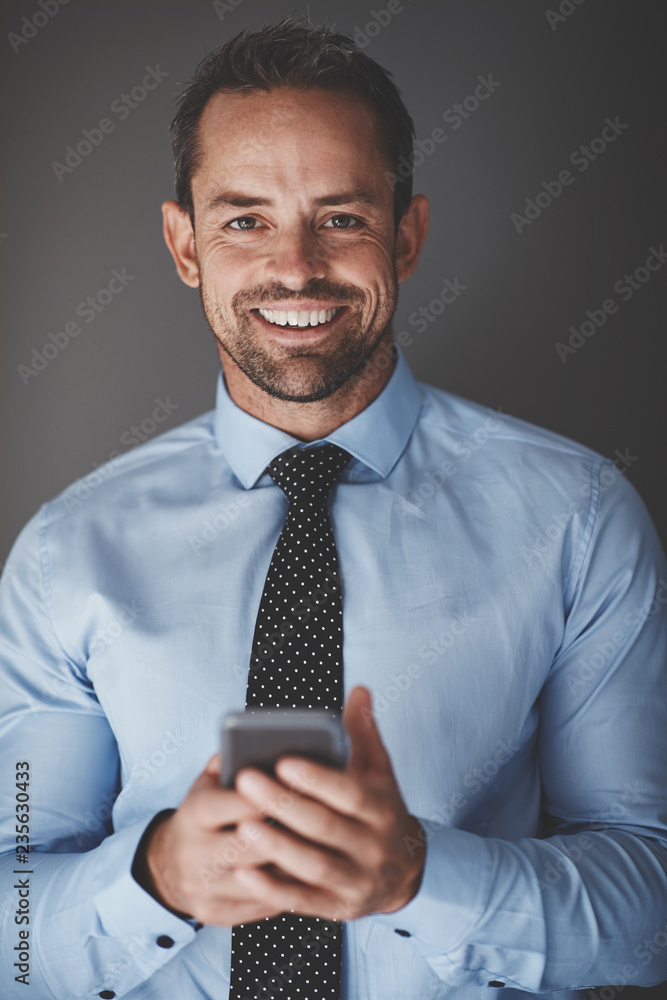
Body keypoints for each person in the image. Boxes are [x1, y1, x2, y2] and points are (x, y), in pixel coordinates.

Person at [1, 18, 666, 1000]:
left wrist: (422, 877)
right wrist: (156, 880)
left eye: (342, 217)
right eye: (244, 219)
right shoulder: (69, 550)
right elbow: (12, 933)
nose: (298, 267)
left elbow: (647, 912)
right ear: (184, 244)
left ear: (407, 233)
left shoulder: (576, 517)